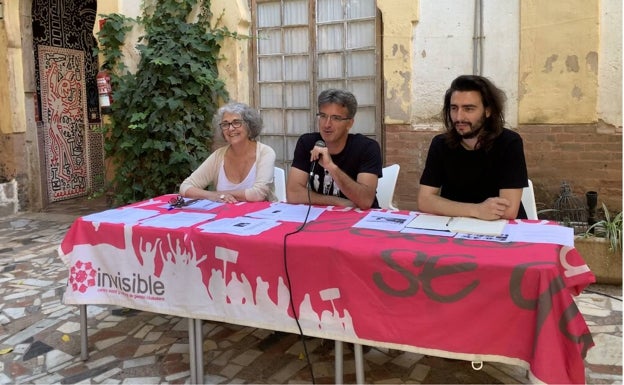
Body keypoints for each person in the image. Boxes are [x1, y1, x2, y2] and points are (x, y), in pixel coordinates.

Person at [418, 75, 529, 220]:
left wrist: (448, 206)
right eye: (454, 108)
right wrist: (476, 210)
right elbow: (424, 201)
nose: (459, 117)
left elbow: (508, 211)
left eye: (468, 109)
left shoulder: (508, 143)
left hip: (502, 231)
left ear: (488, 111)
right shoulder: (440, 144)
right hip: (453, 228)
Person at [287, 89, 382, 209]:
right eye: (323, 116)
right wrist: (336, 202)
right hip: (321, 217)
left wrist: (331, 167)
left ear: (350, 123)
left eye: (336, 118)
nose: (327, 124)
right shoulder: (307, 143)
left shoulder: (367, 147)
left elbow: (365, 201)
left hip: (361, 219)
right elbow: (293, 194)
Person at [179, 102, 276, 203]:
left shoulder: (265, 153)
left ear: (249, 126)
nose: (230, 128)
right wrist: (212, 195)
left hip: (261, 216)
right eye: (225, 124)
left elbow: (258, 194)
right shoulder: (218, 156)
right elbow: (185, 187)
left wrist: (222, 194)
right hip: (225, 216)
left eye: (236, 122)